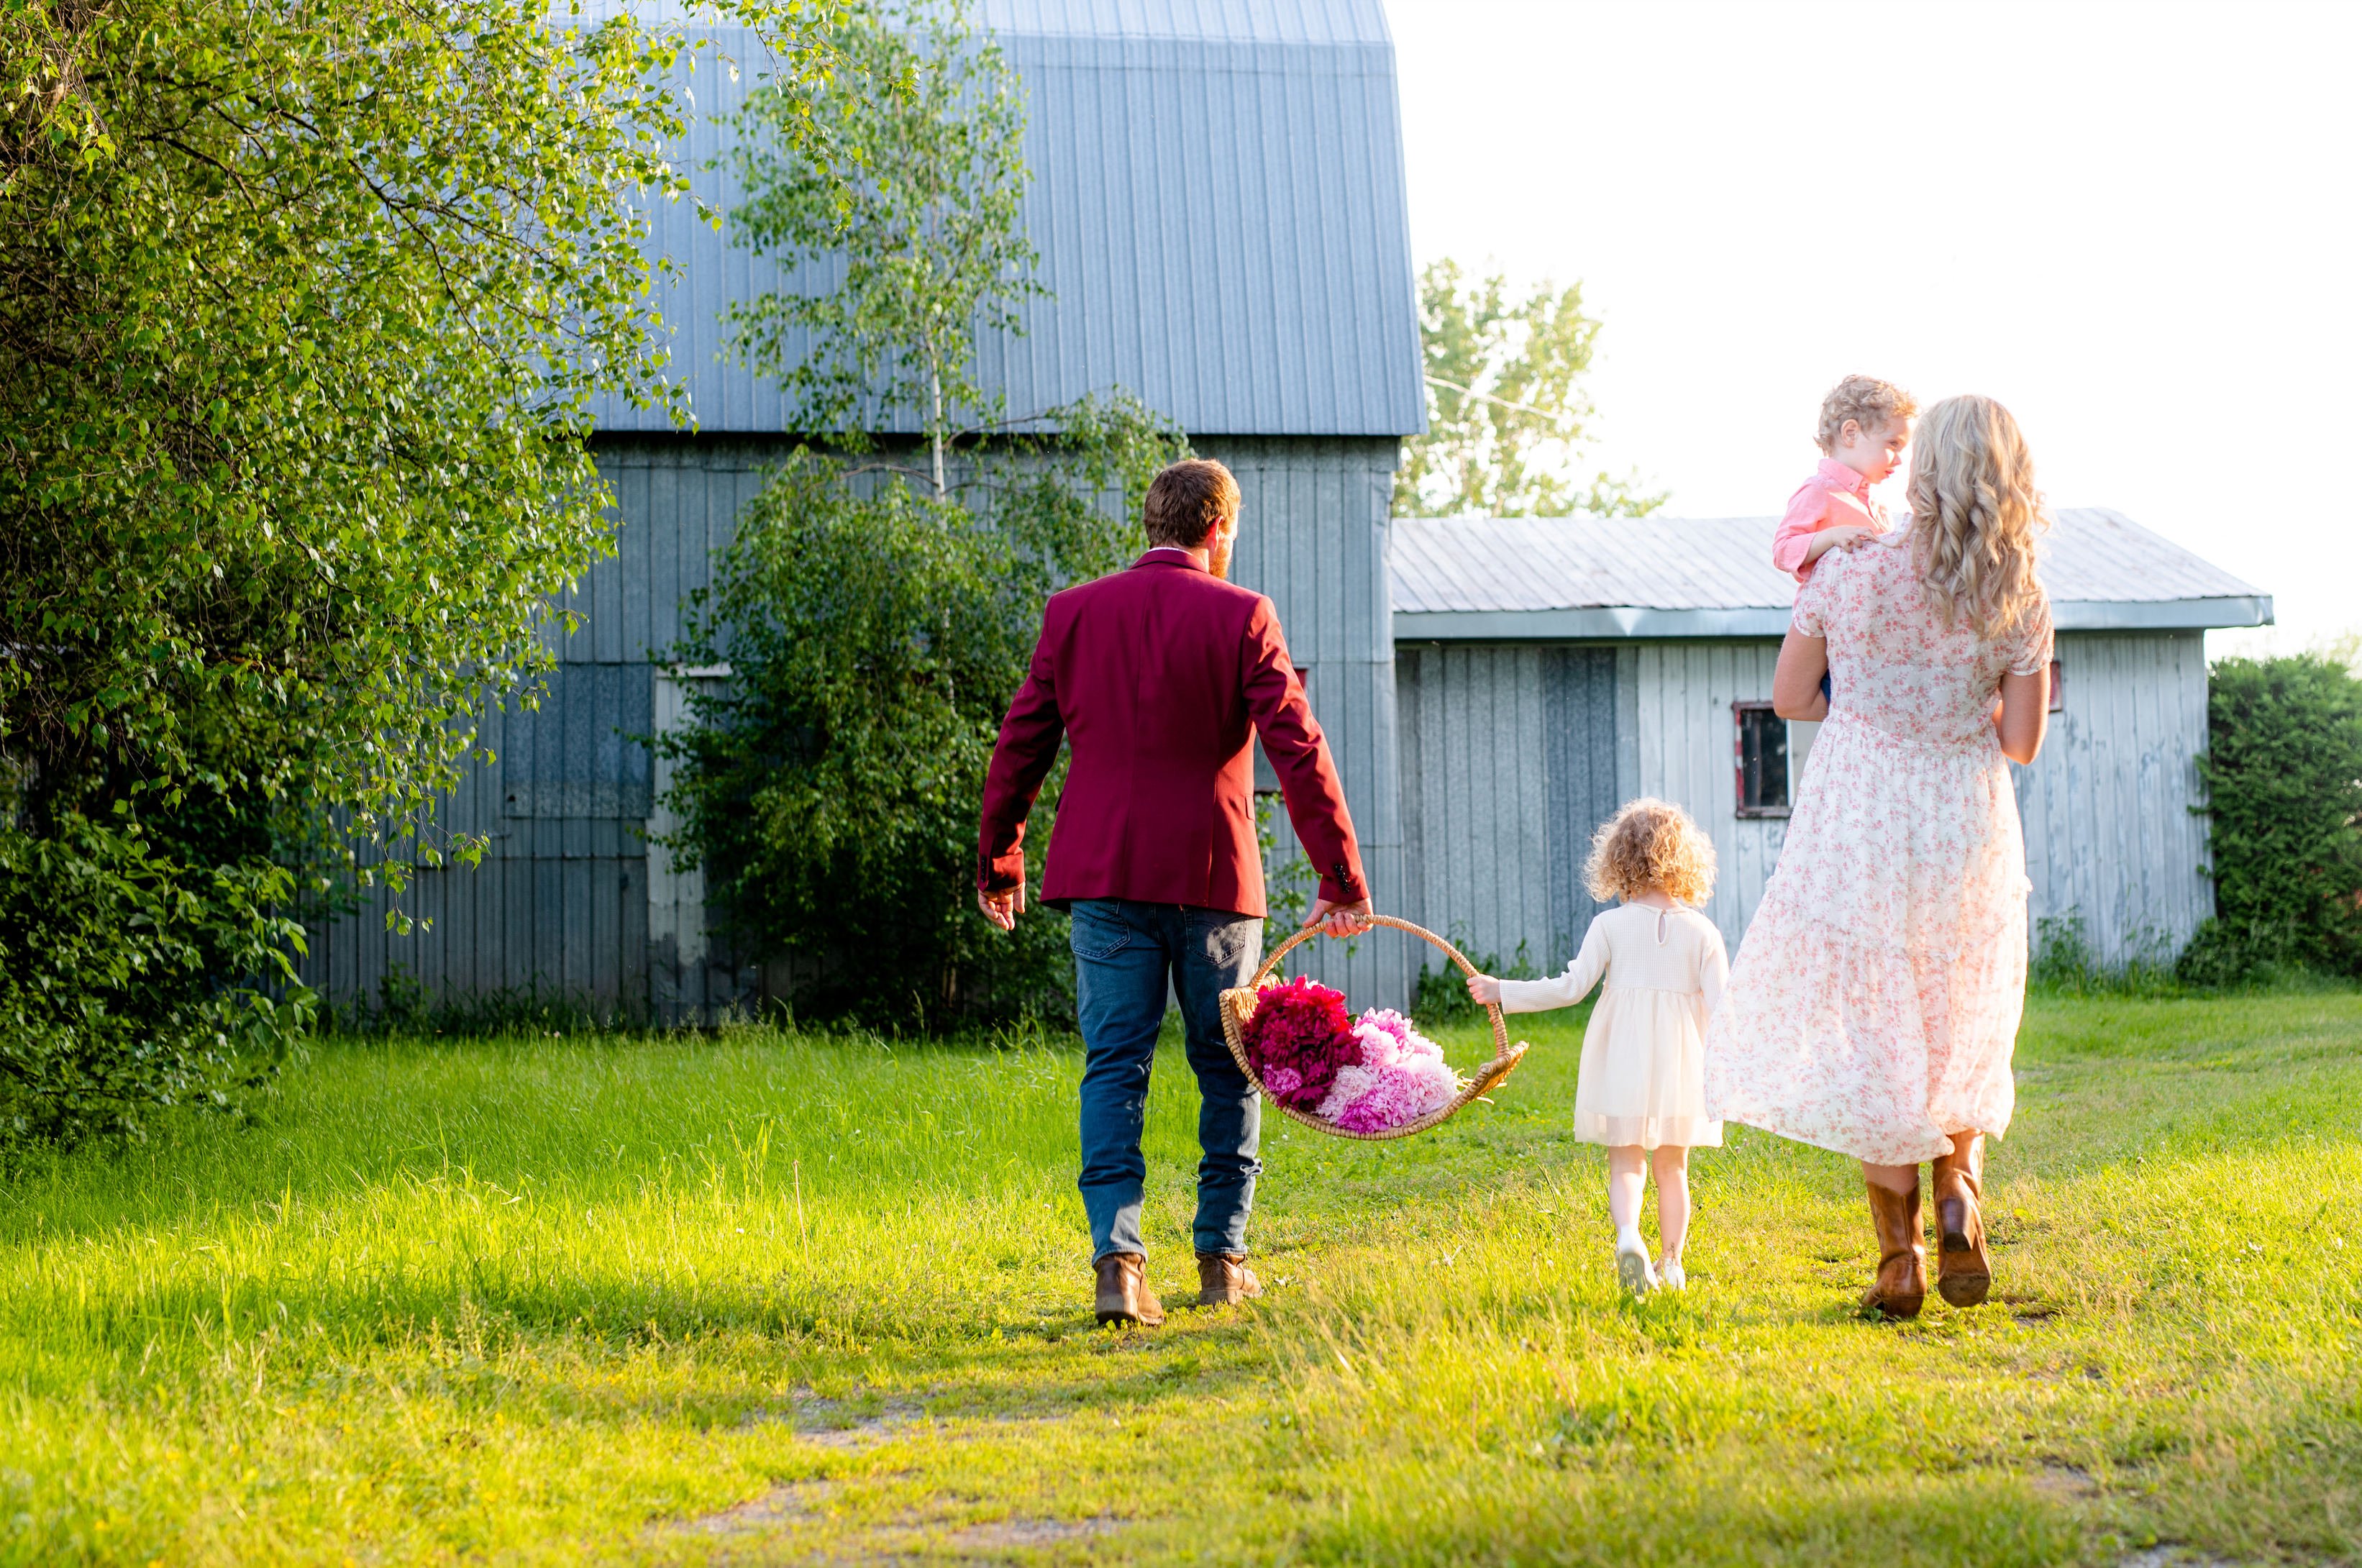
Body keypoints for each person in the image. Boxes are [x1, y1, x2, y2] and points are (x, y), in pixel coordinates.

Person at [975, 457, 1373, 1329]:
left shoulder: (1072, 613)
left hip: (1104, 877)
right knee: (1228, 1065)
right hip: (1213, 882)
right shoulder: (1242, 615)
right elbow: (1296, 749)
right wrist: (1337, 874)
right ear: (1218, 528)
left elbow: (1020, 745)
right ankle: (1222, 1261)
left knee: (1114, 1064)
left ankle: (1117, 1264)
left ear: (1149, 524)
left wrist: (999, 859)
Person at [1707, 393, 2054, 1320]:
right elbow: (2018, 742)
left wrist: (1869, 709)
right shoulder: (2018, 594)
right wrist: (1955, 712)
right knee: (1958, 1018)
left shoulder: (1849, 569)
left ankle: (1896, 1259)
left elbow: (1788, 699)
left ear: (1924, 469)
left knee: (1875, 1036)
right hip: (1962, 821)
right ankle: (1958, 1193)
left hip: (1857, 817)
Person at [1465, 800, 1728, 1297]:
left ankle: (1630, 1237)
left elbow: (1571, 989)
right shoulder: (1704, 933)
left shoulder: (1609, 926)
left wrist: (1505, 990)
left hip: (1623, 1053)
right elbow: (1723, 1009)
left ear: (1620, 860)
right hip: (1681, 1061)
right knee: (1674, 1163)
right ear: (1686, 862)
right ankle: (1672, 1265)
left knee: (1625, 1158)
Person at [1773, 374, 1918, 583]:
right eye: (1893, 444)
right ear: (1851, 433)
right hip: (1833, 614)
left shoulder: (1879, 508)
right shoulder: (1819, 491)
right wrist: (1831, 537)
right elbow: (1783, 551)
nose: (1899, 460)